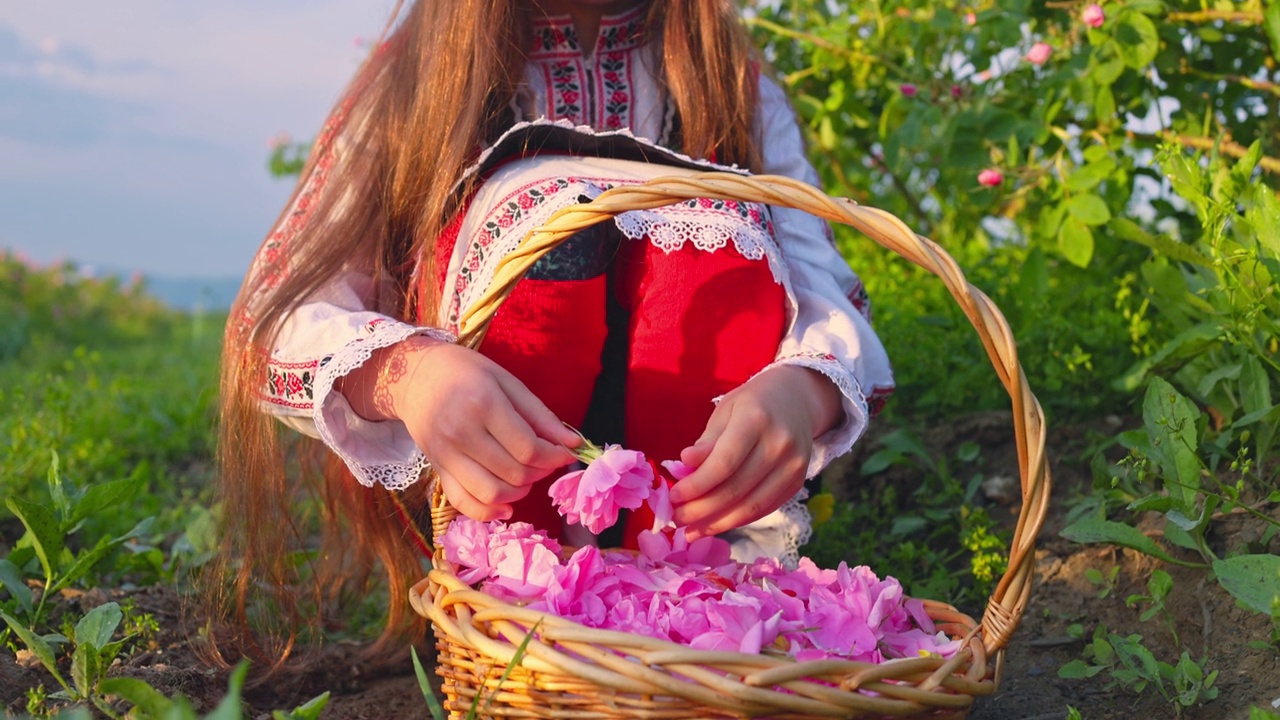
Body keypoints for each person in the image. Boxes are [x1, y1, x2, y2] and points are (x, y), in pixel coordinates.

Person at [211, 0, 894, 668]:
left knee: (716, 240)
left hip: (691, 531)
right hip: (483, 489)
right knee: (544, 236)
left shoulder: (726, 78)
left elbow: (823, 286)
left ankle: (687, 600)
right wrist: (409, 377)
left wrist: (804, 392)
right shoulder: (421, 76)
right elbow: (277, 312)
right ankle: (512, 591)